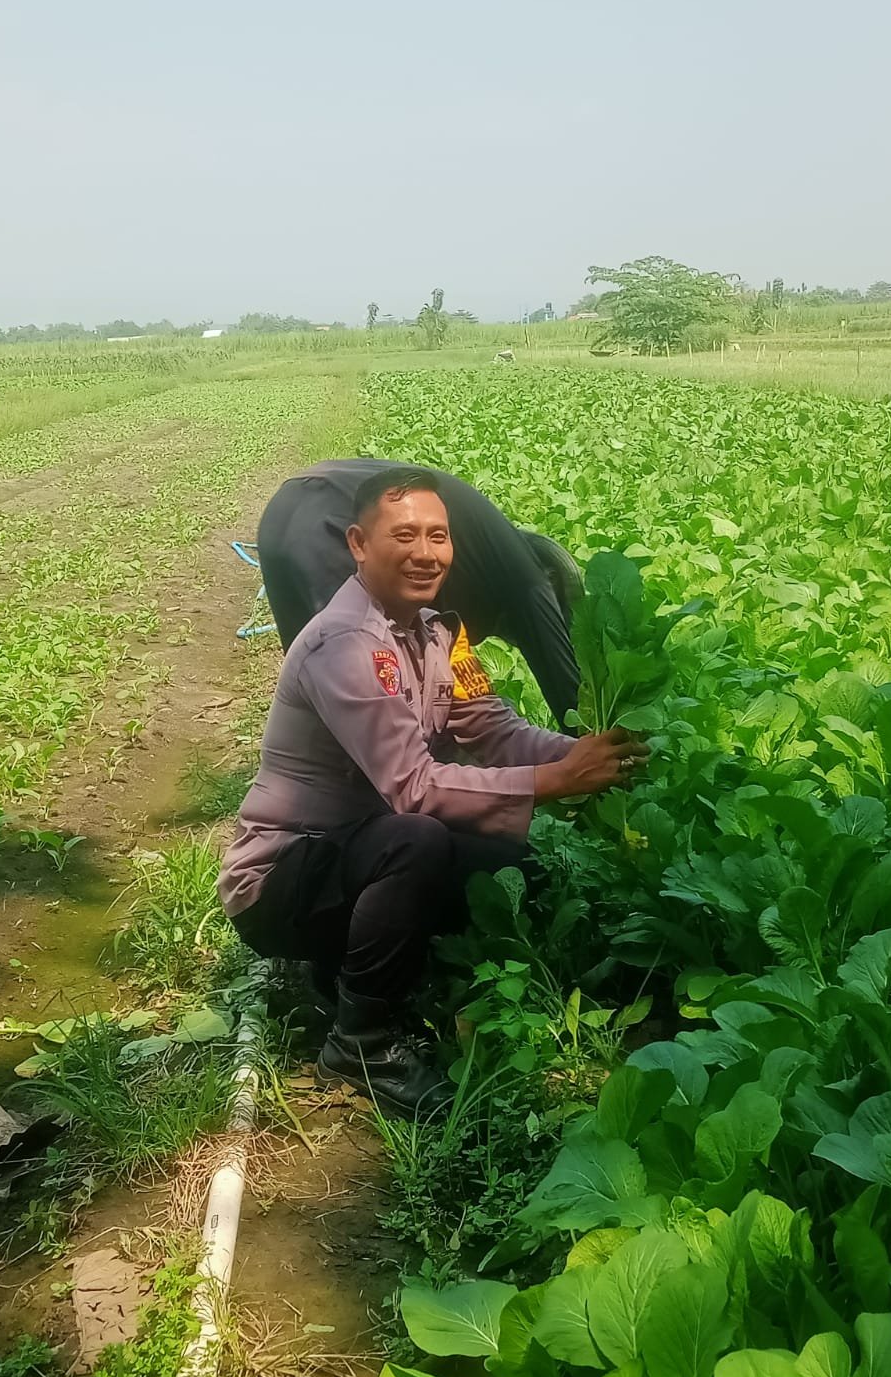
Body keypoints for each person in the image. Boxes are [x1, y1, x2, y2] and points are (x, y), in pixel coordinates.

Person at [219, 467, 646, 1120]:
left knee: (514, 869)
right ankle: (361, 1042)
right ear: (359, 545)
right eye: (405, 535)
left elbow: (493, 728)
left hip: (353, 855)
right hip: (283, 877)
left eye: (438, 536)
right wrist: (554, 782)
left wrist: (587, 758)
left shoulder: (442, 634)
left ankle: (347, 972)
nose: (426, 552)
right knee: (417, 839)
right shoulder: (347, 644)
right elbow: (414, 789)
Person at [255, 458, 581, 726]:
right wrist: (585, 765)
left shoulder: (479, 554)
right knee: (366, 696)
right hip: (324, 525)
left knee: (316, 685)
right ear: (551, 581)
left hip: (281, 514)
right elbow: (572, 695)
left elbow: (460, 679)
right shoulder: (529, 577)